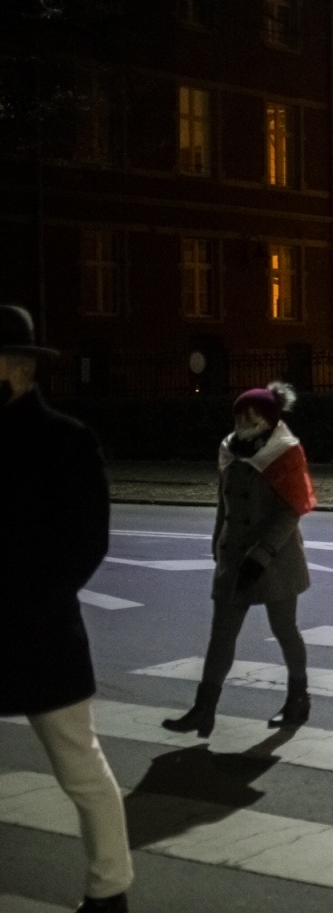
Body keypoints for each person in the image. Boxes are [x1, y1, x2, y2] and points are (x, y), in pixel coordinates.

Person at [0, 305, 134, 913]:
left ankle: (110, 891)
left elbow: (88, 541)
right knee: (83, 768)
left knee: (81, 771)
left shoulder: (67, 441)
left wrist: (34, 606)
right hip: (33, 631)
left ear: (20, 367)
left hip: (40, 634)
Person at [164, 381, 317, 739]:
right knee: (221, 636)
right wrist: (218, 540)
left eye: (252, 416)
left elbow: (291, 510)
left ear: (268, 418)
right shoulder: (229, 450)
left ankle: (298, 698)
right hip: (234, 558)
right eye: (239, 416)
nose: (244, 422)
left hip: (275, 560)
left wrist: (262, 553)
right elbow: (225, 502)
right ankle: (203, 710)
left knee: (284, 630)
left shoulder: (285, 451)